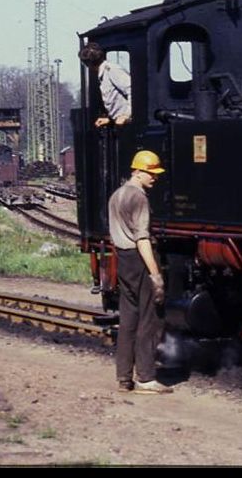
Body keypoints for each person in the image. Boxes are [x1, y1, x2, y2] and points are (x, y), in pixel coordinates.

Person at [109, 150, 172, 394]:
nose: (155, 178)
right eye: (151, 173)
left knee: (128, 319)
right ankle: (146, 378)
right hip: (140, 260)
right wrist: (155, 274)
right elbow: (142, 239)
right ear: (138, 171)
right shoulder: (139, 198)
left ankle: (124, 377)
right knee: (150, 318)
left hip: (124, 260)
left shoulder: (116, 195)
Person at [79, 41, 132, 127]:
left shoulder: (112, 70)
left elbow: (132, 90)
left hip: (128, 123)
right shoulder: (103, 75)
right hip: (119, 124)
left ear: (89, 64)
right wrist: (109, 119)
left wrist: (126, 115)